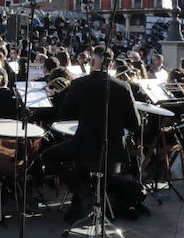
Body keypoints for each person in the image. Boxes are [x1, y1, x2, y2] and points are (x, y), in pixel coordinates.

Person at [43, 45, 140, 223]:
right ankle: (88, 194)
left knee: (48, 156)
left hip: (84, 147)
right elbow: (135, 123)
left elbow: (64, 114)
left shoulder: (79, 84)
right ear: (110, 65)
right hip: (114, 153)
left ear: (93, 61)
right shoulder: (123, 87)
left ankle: (82, 192)